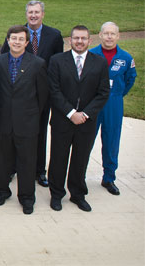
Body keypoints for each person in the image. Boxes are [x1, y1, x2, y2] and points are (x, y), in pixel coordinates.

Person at [1, 0, 63, 188]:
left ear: (43, 14)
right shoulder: (18, 34)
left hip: (42, 92)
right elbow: (4, 58)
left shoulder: (54, 35)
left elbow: (57, 64)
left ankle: (39, 170)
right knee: (13, 133)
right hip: (19, 94)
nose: (33, 15)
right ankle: (12, 168)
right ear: (26, 14)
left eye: (37, 12)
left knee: (39, 131)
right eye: (30, 12)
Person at [48, 25, 109, 212]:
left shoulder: (99, 63)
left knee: (80, 159)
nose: (79, 42)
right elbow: (54, 90)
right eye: (76, 38)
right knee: (58, 158)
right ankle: (57, 194)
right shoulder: (57, 60)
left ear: (90, 41)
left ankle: (77, 194)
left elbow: (103, 92)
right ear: (70, 40)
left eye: (83, 38)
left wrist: (85, 114)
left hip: (86, 122)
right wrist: (70, 113)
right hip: (62, 120)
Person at [0, 26, 48, 215]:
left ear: (26, 42)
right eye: (13, 38)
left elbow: (42, 96)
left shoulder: (38, 64)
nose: (16, 42)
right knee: (2, 159)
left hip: (27, 122)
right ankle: (1, 192)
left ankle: (26, 198)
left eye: (20, 39)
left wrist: (31, 115)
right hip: (4, 120)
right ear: (8, 41)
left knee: (27, 161)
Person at [89, 22, 137, 196]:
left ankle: (109, 177)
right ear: (100, 35)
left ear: (118, 36)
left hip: (113, 103)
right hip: (92, 103)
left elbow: (130, 80)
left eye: (113, 34)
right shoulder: (91, 54)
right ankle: (78, 176)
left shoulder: (125, 58)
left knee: (111, 140)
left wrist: (116, 95)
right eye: (106, 33)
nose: (109, 37)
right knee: (86, 139)